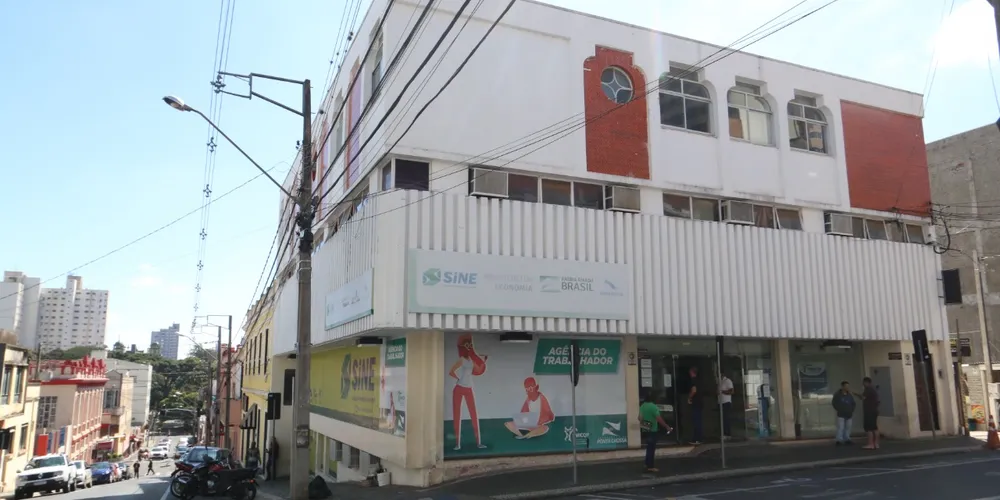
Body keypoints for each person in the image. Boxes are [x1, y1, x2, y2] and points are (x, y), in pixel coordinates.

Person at [448, 334, 488, 450]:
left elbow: (478, 370)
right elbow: (451, 372)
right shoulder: (462, 360)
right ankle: (457, 444)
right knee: (457, 415)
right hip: (459, 388)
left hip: (469, 388)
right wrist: (458, 379)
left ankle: (478, 442)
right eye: (467, 344)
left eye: (470, 344)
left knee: (474, 415)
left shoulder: (471, 360)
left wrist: (483, 361)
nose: (469, 346)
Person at [639, 391, 672, 473]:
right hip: (653, 429)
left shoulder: (643, 406)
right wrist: (666, 426)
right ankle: (650, 466)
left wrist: (645, 424)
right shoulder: (654, 407)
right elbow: (658, 418)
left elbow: (639, 418)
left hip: (646, 428)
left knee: (648, 447)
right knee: (651, 448)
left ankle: (647, 463)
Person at [832, 380, 857, 445]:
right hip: (841, 414)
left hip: (849, 414)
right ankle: (839, 440)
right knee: (841, 427)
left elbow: (853, 403)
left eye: (848, 386)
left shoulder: (850, 395)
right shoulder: (838, 395)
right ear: (842, 387)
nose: (847, 388)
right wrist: (839, 409)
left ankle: (847, 439)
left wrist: (852, 410)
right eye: (846, 386)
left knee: (848, 427)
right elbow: (834, 403)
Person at [861, 377, 880, 450]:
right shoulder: (873, 390)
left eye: (863, 382)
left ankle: (870, 444)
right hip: (874, 410)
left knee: (869, 428)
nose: (863, 384)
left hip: (869, 411)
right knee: (875, 428)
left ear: (866, 382)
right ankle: (876, 444)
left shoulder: (868, 389)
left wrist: (854, 393)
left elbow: (862, 397)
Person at [687, 367, 703, 445]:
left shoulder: (693, 380)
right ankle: (698, 438)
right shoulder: (699, 381)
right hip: (700, 403)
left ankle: (697, 439)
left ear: (692, 372)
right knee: (698, 421)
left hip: (696, 403)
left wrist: (689, 398)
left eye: (690, 372)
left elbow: (694, 390)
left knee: (696, 421)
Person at [718, 372, 735, 440]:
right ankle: (724, 433)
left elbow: (732, 391)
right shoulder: (720, 381)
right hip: (720, 402)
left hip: (726, 402)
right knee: (722, 419)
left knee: (726, 419)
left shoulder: (727, 381)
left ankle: (727, 434)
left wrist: (722, 392)